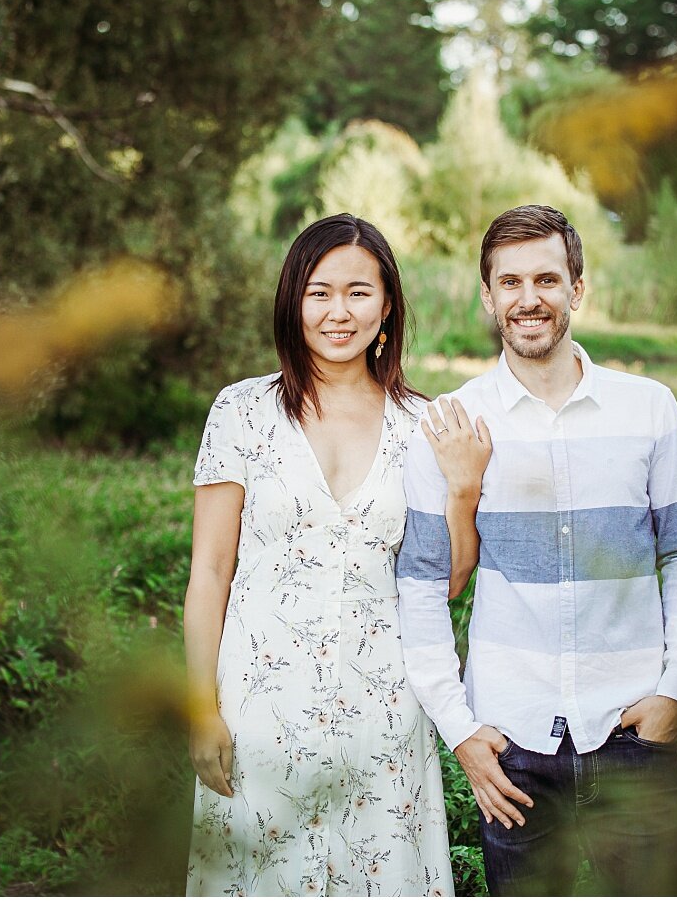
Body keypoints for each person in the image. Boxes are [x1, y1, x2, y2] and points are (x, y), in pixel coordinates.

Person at [395, 205, 677, 895]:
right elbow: (420, 588)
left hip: (634, 731)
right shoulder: (452, 422)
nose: (528, 298)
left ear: (578, 288)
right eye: (509, 282)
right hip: (510, 744)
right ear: (487, 296)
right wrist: (459, 729)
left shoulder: (650, 407)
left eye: (547, 278)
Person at [184, 214, 491, 896]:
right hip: (259, 710)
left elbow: (446, 582)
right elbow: (209, 572)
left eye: (358, 292)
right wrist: (201, 708)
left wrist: (463, 491)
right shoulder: (241, 412)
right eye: (319, 292)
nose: (338, 311)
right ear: (294, 302)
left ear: (387, 305)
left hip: (384, 709)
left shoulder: (424, 424)